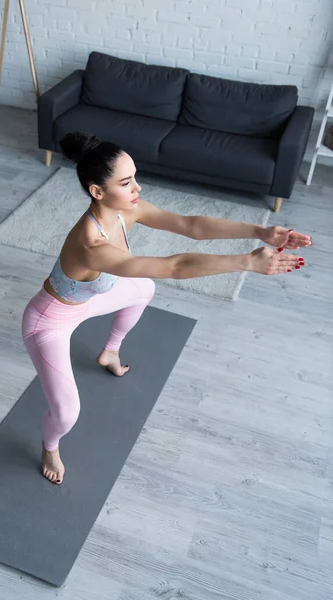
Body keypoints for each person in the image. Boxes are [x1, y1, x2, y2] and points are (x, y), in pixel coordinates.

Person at [21, 131, 311, 485]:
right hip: (49, 321)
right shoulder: (91, 244)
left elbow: (190, 226)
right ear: (98, 191)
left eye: (135, 178)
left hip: (90, 298)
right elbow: (175, 265)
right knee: (67, 413)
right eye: (126, 183)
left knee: (143, 288)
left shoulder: (128, 210)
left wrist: (261, 231)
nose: (137, 189)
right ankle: (49, 446)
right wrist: (246, 263)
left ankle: (109, 351)